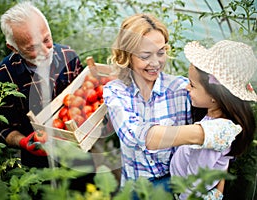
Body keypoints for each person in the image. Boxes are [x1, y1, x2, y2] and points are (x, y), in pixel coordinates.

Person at [103, 13, 240, 194]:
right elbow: (133, 134)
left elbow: (218, 151)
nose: (155, 63)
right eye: (145, 55)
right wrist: (209, 133)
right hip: (136, 186)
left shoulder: (182, 89)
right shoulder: (115, 91)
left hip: (177, 184)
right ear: (127, 56)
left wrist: (218, 190)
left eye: (161, 52)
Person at [0, 1, 94, 192]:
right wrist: (23, 142)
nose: (45, 52)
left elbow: (84, 98)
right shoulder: (2, 79)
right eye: (33, 48)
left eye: (47, 40)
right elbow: (1, 128)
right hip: (37, 158)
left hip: (76, 148)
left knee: (86, 191)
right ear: (13, 48)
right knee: (43, 194)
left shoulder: (69, 57)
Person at [168, 40, 257, 199]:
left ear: (215, 96)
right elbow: (221, 163)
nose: (186, 87)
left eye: (192, 85)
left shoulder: (210, 137)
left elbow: (195, 183)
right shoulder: (225, 123)